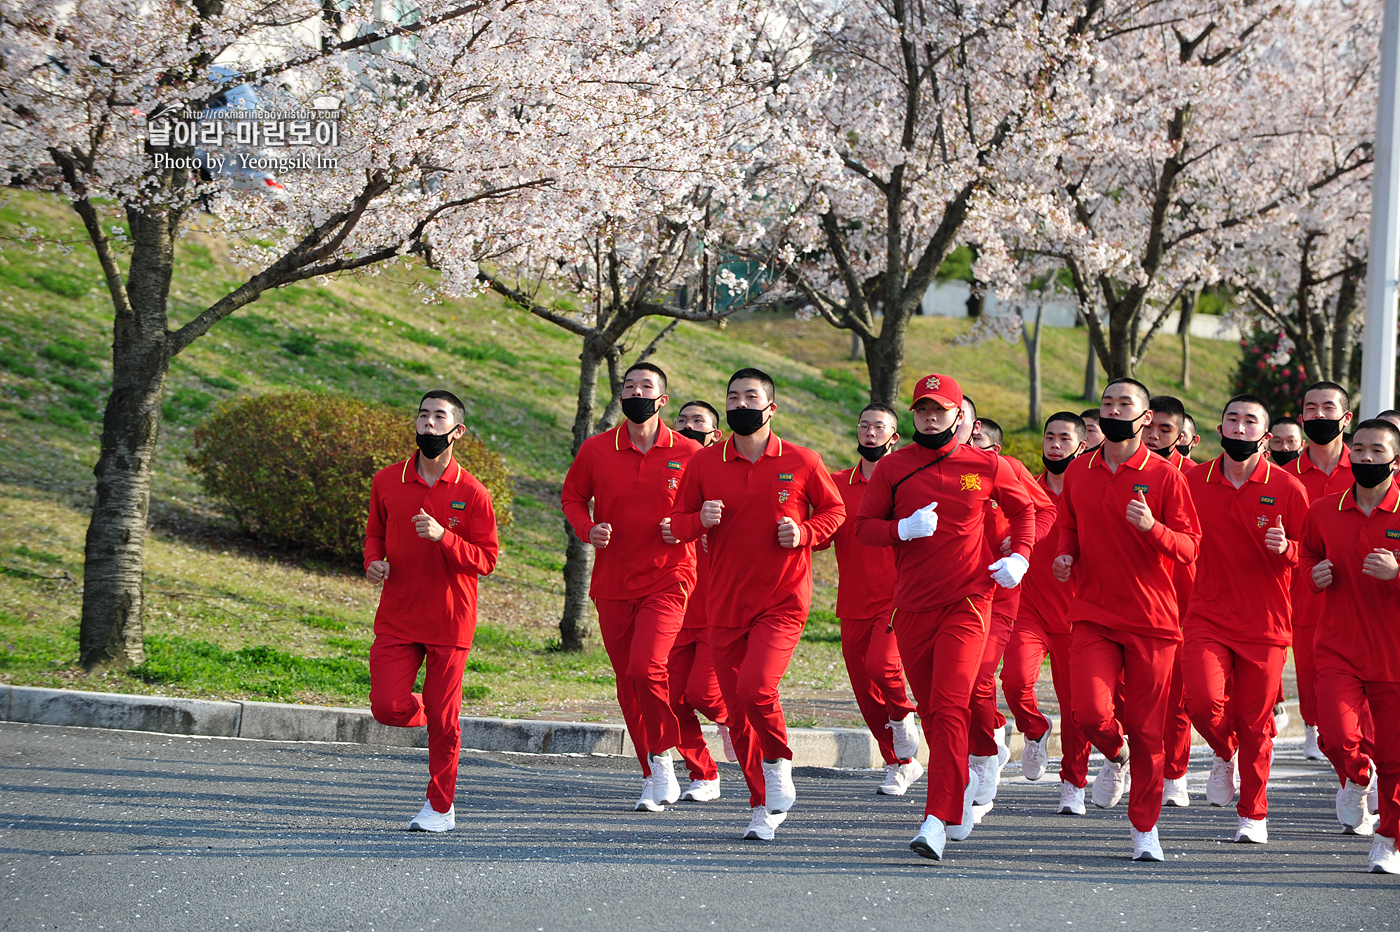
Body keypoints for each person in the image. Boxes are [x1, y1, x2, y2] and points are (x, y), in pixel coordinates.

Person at [854, 373, 1036, 861]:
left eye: (940, 410)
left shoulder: (984, 465)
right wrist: (902, 529)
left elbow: (1027, 512)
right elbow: (864, 529)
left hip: (970, 602)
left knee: (952, 705)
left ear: (960, 415)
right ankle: (954, 799)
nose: (930, 418)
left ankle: (934, 820)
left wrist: (1019, 555)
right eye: (922, 410)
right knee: (933, 711)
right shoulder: (894, 468)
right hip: (913, 606)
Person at [670, 368, 846, 841]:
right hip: (724, 602)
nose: (740, 404)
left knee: (755, 687)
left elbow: (835, 512)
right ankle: (761, 805)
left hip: (782, 600)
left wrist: (805, 533)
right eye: (733, 397)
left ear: (770, 408)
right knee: (738, 708)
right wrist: (698, 519)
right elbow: (678, 523)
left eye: (751, 397)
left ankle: (779, 762)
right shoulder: (705, 464)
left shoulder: (803, 460)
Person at [1053, 377, 1202, 862]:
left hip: (1152, 620)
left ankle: (1145, 828)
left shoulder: (1165, 476)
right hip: (1093, 613)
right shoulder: (1078, 471)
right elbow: (1068, 527)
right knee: (1088, 712)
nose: (1115, 410)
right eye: (1107, 403)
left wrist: (1152, 528)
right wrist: (1065, 556)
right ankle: (1115, 756)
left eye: (1126, 404)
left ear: (1144, 418)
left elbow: (1189, 546)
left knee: (1147, 730)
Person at [561, 363, 703, 812]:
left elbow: (714, 510)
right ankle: (652, 769)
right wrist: (587, 529)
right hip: (613, 582)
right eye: (629, 386)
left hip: (669, 577)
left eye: (647, 387)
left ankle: (662, 761)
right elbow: (571, 497)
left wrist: (684, 526)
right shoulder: (597, 450)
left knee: (647, 668)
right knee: (628, 683)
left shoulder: (689, 453)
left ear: (663, 401)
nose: (636, 392)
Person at [364, 390, 500, 832]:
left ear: (456, 431)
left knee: (445, 723)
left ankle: (440, 808)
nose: (427, 423)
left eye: (438, 417)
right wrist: (373, 562)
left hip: (450, 619)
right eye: (422, 415)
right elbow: (373, 535)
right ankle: (436, 710)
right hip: (398, 615)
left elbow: (486, 560)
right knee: (387, 706)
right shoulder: (387, 480)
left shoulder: (473, 492)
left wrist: (444, 536)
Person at [1181, 394, 1310, 845]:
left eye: (1249, 421)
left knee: (1256, 723)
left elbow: (1311, 554)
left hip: (1265, 625)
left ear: (1267, 436)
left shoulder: (1290, 490)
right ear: (1220, 428)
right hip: (1206, 615)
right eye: (1231, 419)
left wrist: (1286, 549)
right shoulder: (1193, 481)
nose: (1239, 427)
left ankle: (1253, 813)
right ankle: (1224, 749)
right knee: (1199, 701)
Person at [1300, 419, 1400, 874]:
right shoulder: (1323, 509)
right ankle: (1358, 779)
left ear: (1394, 461)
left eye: (1376, 451)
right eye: (1358, 449)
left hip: (1394, 657)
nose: (1365, 458)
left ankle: (1387, 840)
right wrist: (1312, 574)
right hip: (1338, 648)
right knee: (1336, 738)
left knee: (1396, 759)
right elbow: (1307, 556)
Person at [822, 403, 922, 795]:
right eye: (864, 425)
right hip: (853, 600)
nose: (869, 432)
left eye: (878, 427)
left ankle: (903, 715)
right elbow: (822, 532)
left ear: (894, 437)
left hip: (898, 596)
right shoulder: (836, 483)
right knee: (865, 692)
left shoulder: (909, 482)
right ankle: (901, 763)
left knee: (883, 666)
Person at [1000, 412, 1094, 816]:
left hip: (1079, 613)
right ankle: (1034, 728)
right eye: (1049, 437)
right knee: (1014, 678)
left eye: (1064, 438)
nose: (1054, 445)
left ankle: (1073, 783)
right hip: (1031, 608)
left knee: (1077, 708)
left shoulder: (1089, 491)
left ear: (1081, 445)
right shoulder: (1026, 488)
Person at [966, 414, 1055, 817]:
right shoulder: (928, 466)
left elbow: (1044, 511)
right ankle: (992, 735)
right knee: (954, 686)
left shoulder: (1008, 469)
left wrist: (1019, 551)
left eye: (976, 430)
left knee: (982, 676)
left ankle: (984, 755)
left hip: (998, 591)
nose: (970, 434)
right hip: (945, 590)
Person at [666, 400, 735, 802]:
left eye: (699, 422)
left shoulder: (721, 475)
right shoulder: (671, 471)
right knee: (671, 699)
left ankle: (730, 718)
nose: (689, 428)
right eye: (683, 421)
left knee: (704, 693)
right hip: (676, 603)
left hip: (717, 605)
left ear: (716, 434)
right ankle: (703, 774)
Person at [1289, 382, 1356, 762]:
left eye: (1327, 408)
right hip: (1305, 599)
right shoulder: (1284, 476)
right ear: (1301, 419)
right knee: (1315, 688)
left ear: (1346, 418)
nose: (1318, 415)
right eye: (1310, 408)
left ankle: (1365, 770)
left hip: (1363, 603)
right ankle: (1316, 729)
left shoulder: (1369, 475)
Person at [1143, 394, 1196, 808]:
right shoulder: (1120, 471)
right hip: (1136, 600)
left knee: (1176, 695)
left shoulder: (1195, 478)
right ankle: (1122, 756)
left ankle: (1175, 771)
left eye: (1167, 429)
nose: (1157, 436)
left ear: (1182, 436)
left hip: (1186, 600)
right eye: (1152, 426)